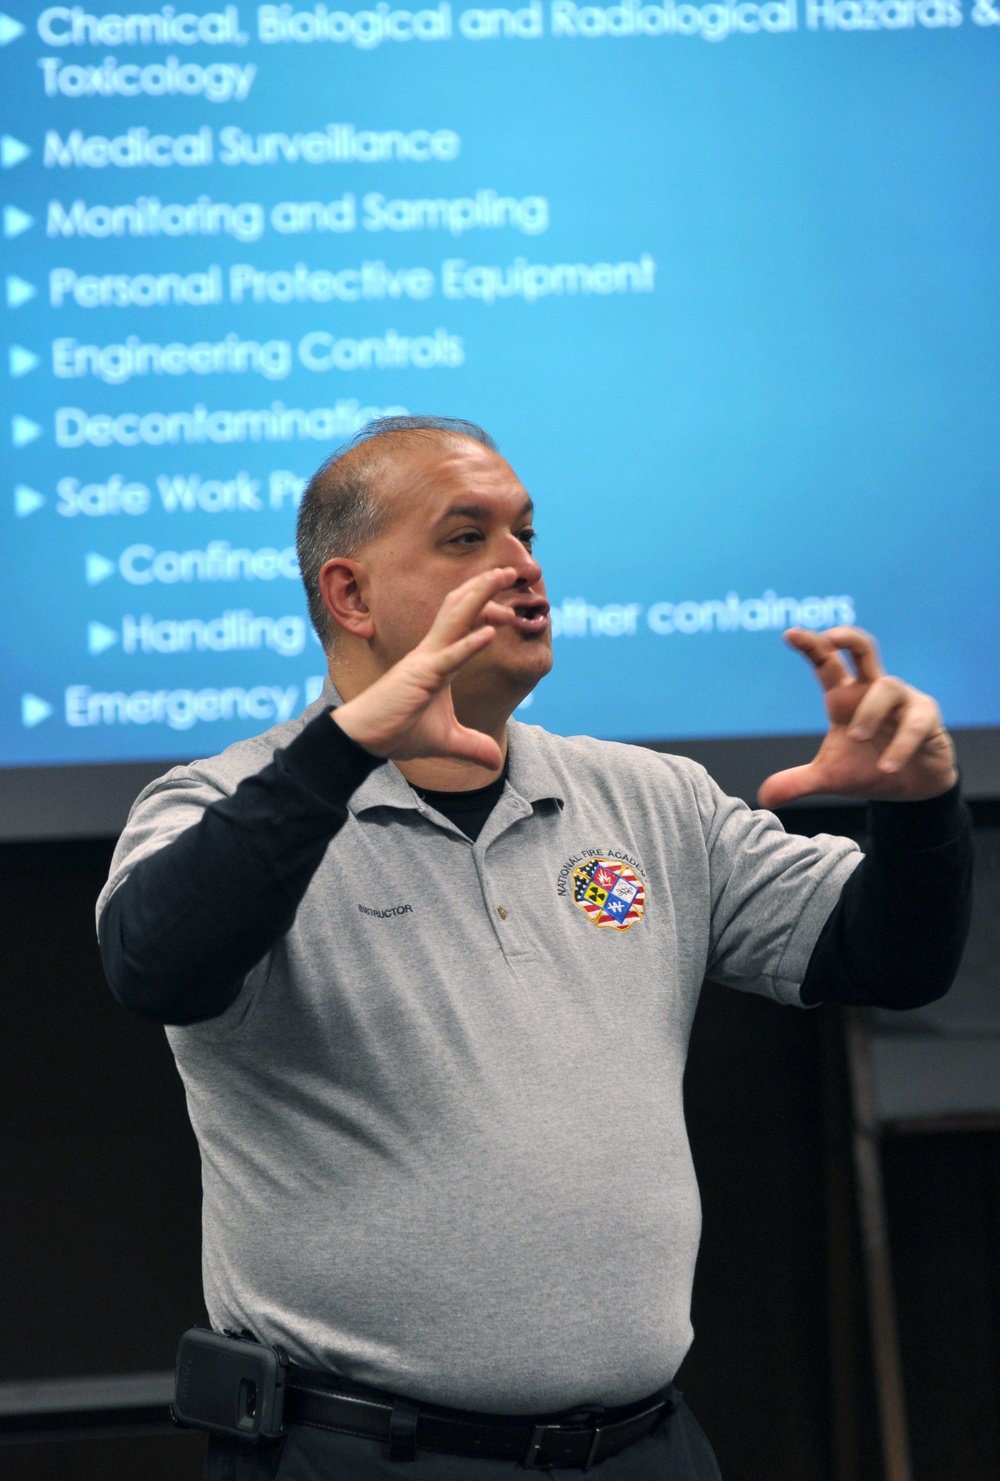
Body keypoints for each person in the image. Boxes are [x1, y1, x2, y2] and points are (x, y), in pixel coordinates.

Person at [98, 415, 972, 1480]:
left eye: (527, 532)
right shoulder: (222, 802)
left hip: (644, 1447)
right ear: (351, 596)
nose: (522, 566)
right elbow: (156, 965)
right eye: (467, 538)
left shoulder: (648, 797)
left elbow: (885, 956)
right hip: (362, 1452)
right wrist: (343, 750)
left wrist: (924, 811)